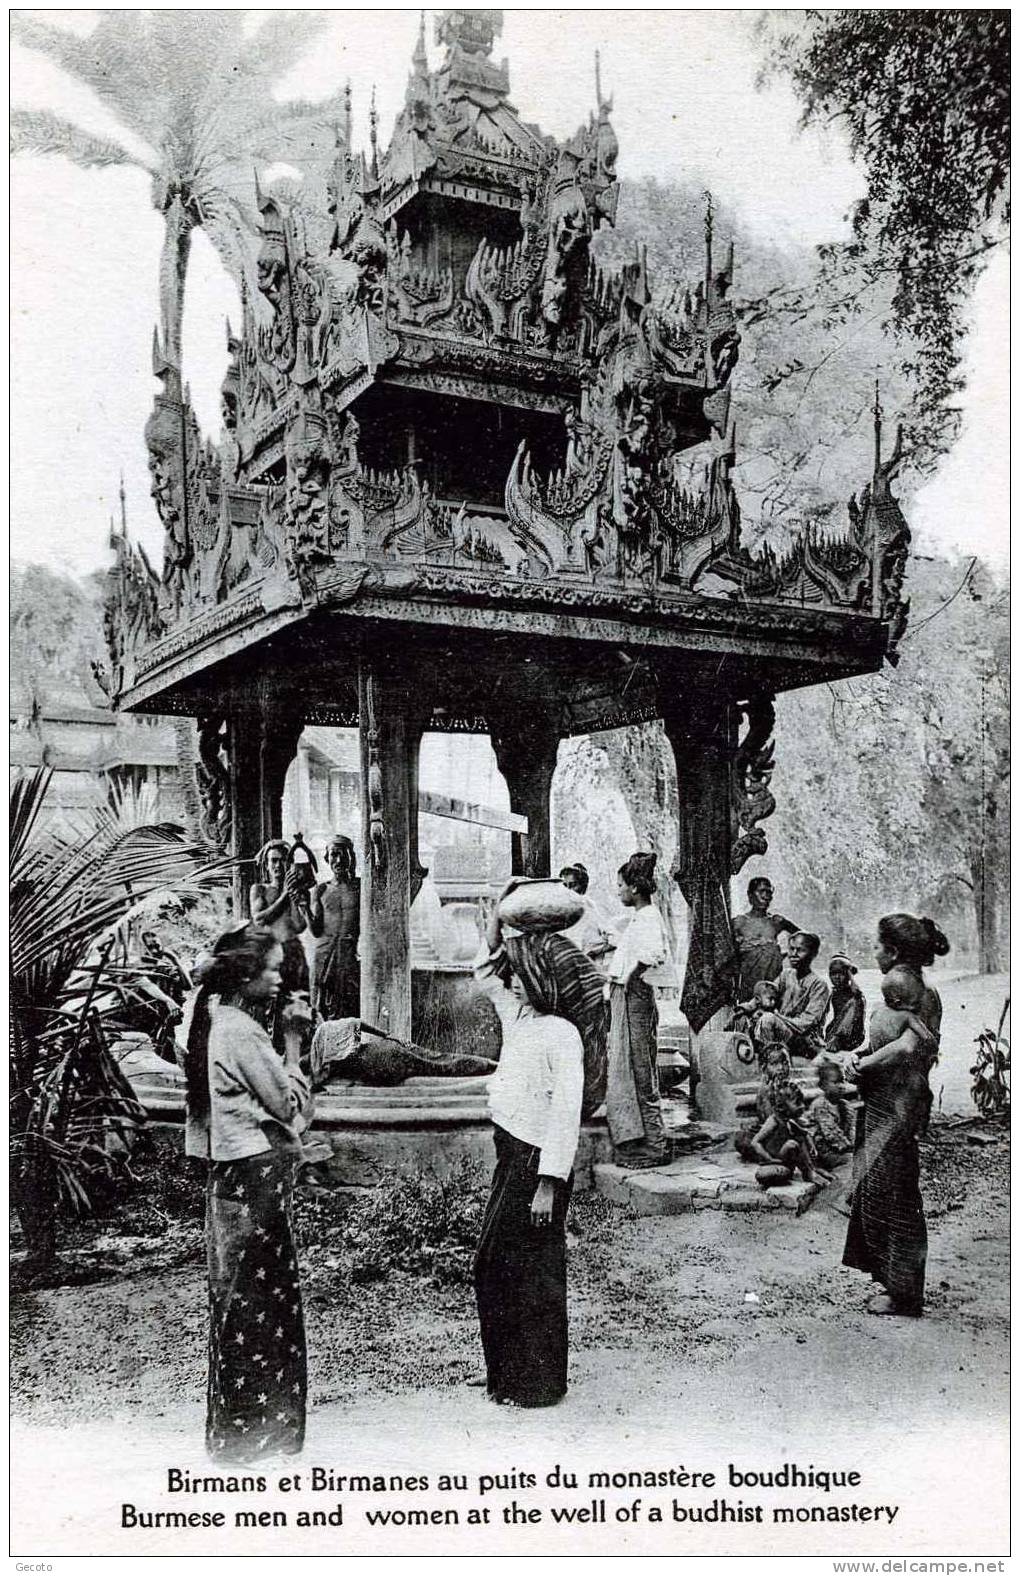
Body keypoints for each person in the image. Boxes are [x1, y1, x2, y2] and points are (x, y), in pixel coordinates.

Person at [184, 923, 313, 1461]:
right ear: (246, 974)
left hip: (226, 1176)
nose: (281, 978)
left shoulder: (206, 1018)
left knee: (235, 1301)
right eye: (273, 968)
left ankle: (235, 1436)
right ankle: (263, 1437)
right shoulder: (243, 1032)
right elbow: (291, 1107)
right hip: (255, 1175)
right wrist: (293, 1041)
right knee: (266, 1304)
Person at [471, 895, 587, 1408]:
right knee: (494, 1265)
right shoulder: (520, 1019)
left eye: (520, 972)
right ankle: (505, 1370)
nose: (510, 979)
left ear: (540, 977)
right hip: (510, 1156)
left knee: (533, 1272)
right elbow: (483, 973)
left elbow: (566, 1114)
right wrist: (498, 917)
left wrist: (548, 1182)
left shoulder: (562, 1034)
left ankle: (536, 1383)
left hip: (537, 1166)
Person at [843, 913, 948, 1316]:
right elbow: (882, 1041)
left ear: (894, 951)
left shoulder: (923, 995)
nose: (872, 952)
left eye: (876, 946)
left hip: (901, 1105)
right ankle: (892, 1282)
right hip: (882, 1098)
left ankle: (905, 1294)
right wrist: (860, 1057)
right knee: (879, 1190)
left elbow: (908, 1047)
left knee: (898, 1195)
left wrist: (865, 1065)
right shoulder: (897, 991)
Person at [605, 851, 671, 1170]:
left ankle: (656, 1146)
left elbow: (652, 955)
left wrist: (630, 978)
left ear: (634, 887)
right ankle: (642, 1140)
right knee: (629, 1067)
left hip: (635, 997)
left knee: (641, 1070)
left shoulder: (648, 918)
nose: (617, 890)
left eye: (620, 885)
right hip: (627, 996)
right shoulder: (639, 919)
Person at [753, 932, 831, 1061]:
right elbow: (769, 992)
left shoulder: (819, 985)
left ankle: (771, 1062)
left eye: (800, 950)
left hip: (805, 1040)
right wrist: (748, 1008)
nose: (794, 954)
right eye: (791, 949)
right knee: (747, 1018)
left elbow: (806, 1023)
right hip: (784, 1031)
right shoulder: (786, 975)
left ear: (813, 954)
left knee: (768, 1019)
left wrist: (778, 1017)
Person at [308, 836, 361, 1020]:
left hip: (348, 957)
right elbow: (315, 930)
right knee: (322, 1010)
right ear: (327, 859)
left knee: (349, 1009)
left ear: (350, 857)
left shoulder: (360, 887)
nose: (338, 860)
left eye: (342, 855)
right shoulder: (321, 890)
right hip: (324, 956)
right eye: (333, 855)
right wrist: (303, 907)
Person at [249, 840, 311, 995]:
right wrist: (285, 895)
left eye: (282, 860)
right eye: (273, 860)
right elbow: (259, 919)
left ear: (289, 863)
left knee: (298, 1002)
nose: (278, 865)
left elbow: (299, 926)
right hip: (270, 952)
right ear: (266, 864)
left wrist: (297, 897)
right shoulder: (259, 890)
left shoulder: (296, 890)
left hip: (293, 952)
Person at [731, 878, 799, 1000]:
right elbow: (726, 953)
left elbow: (804, 937)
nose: (766, 896)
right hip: (748, 983)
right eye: (761, 891)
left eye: (769, 892)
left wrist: (785, 954)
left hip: (772, 982)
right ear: (750, 895)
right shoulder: (739, 923)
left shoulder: (776, 921)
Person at [558, 864, 614, 964]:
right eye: (565, 886)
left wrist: (591, 951)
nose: (568, 890)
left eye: (573, 885)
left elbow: (614, 939)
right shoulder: (559, 912)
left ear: (583, 887)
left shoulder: (592, 908)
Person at [804, 1062, 855, 1170]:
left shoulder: (845, 1105)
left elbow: (851, 1129)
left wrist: (853, 1143)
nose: (841, 1086)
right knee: (853, 1159)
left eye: (842, 1081)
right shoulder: (820, 1106)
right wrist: (850, 1147)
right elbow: (831, 1134)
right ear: (823, 1086)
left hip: (839, 1149)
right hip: (823, 1151)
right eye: (835, 1082)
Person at [823, 954, 867, 1060]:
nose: (837, 977)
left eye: (841, 973)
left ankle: (837, 1038)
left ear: (847, 975)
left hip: (852, 1035)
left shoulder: (855, 994)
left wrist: (850, 975)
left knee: (855, 1002)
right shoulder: (834, 993)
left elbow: (856, 998)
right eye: (833, 974)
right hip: (835, 1031)